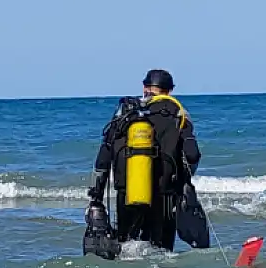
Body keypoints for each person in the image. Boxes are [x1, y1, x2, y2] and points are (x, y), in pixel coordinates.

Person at [87, 69, 211, 250]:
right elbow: (192, 155)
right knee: (161, 252)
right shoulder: (178, 113)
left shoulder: (125, 113)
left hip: (127, 193)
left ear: (145, 87)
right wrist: (183, 183)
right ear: (170, 90)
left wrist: (96, 198)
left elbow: (103, 159)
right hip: (164, 196)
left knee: (126, 248)